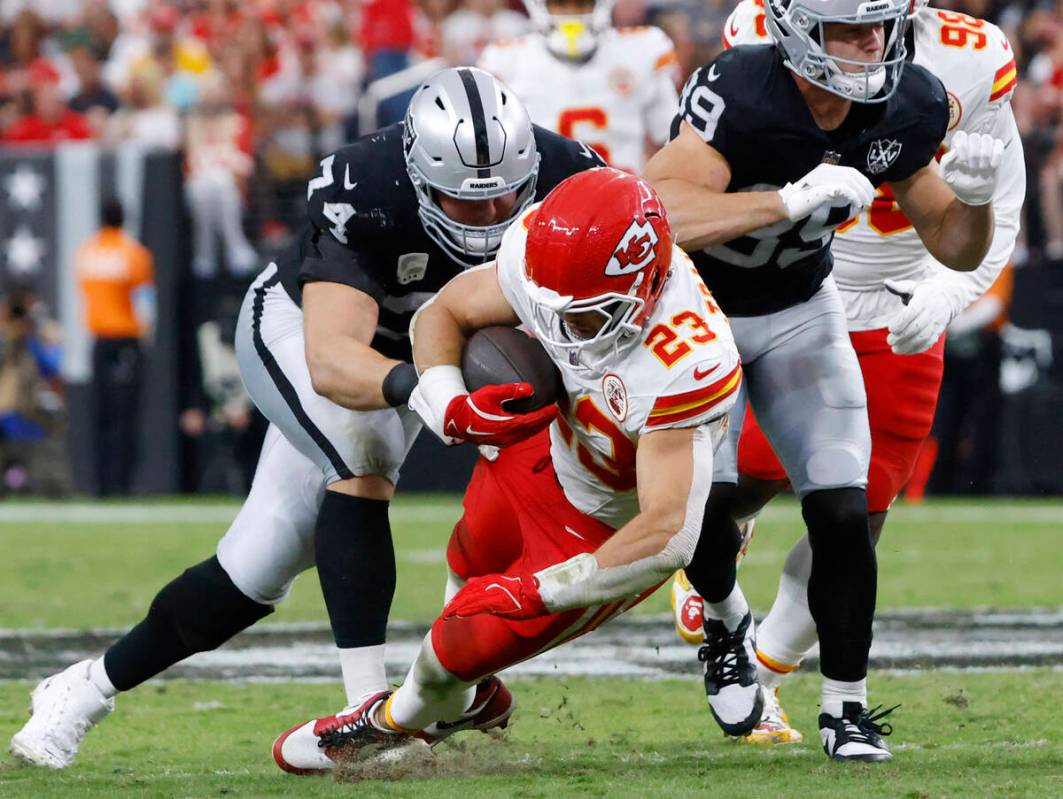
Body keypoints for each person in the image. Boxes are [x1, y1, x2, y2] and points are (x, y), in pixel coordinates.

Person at [9, 67, 604, 770]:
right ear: (420, 176)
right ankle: (370, 712)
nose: (490, 215)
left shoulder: (572, 173)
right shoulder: (365, 186)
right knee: (363, 457)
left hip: (419, 353)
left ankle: (81, 687)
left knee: (252, 570)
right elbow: (331, 361)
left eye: (505, 194)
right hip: (311, 335)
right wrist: (434, 387)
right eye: (465, 203)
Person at [272, 167, 743, 773]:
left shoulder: (687, 357)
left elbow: (669, 531)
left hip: (604, 523)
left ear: (645, 288)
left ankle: (385, 723)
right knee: (467, 558)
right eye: (552, 311)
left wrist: (539, 589)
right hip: (545, 442)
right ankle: (467, 701)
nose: (560, 330)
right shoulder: (548, 261)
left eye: (588, 315)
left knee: (457, 643)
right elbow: (442, 315)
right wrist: (451, 404)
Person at [643, 0, 1005, 761]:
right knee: (699, 505)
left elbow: (954, 243)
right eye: (847, 29)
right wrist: (784, 200)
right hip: (701, 311)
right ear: (799, 31)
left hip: (804, 307)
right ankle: (720, 617)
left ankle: (846, 707)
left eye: (876, 25)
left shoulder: (907, 98)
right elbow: (660, 210)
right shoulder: (741, 89)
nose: (869, 42)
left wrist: (970, 202)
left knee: (844, 507)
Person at [478, 0, 680, 173]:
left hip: (625, 199)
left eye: (581, 3)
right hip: (545, 203)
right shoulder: (507, 61)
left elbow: (672, 141)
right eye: (561, 4)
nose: (571, 15)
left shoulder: (642, 49)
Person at [74, 198, 155, 498]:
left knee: (102, 412)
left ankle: (100, 483)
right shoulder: (134, 254)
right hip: (126, 339)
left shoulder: (86, 253)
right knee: (126, 414)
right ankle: (124, 483)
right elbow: (145, 301)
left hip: (98, 340)